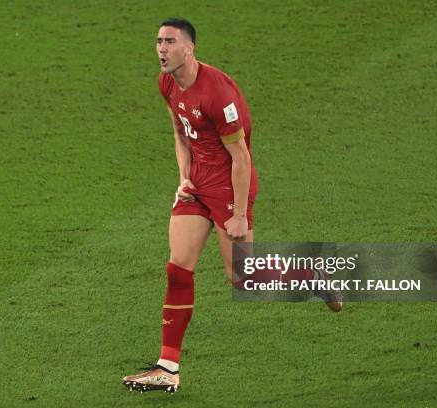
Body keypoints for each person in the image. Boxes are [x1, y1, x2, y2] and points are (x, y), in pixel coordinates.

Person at [122, 17, 341, 394]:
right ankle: (167, 367)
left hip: (229, 186)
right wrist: (184, 177)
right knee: (177, 269)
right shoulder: (167, 83)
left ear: (188, 48)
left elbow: (241, 157)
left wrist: (239, 214)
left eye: (169, 41)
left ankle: (311, 276)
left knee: (245, 278)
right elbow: (179, 131)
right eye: (158, 41)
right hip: (199, 182)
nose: (161, 48)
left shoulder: (217, 93)